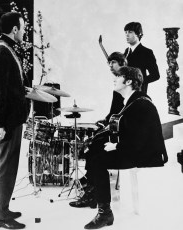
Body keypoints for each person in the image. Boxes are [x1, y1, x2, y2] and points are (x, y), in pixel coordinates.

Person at [82, 66, 168, 229]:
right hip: (138, 150)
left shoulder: (141, 104)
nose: (114, 79)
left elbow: (140, 139)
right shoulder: (132, 101)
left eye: (118, 76)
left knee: (99, 161)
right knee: (95, 153)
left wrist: (116, 146)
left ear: (128, 81)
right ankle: (95, 199)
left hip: (148, 155)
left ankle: (105, 212)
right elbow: (131, 133)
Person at [0, 12, 29, 229]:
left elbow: (7, 85)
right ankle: (1, 214)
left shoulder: (3, 48)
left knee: (1, 164)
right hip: (8, 119)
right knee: (6, 166)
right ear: (14, 29)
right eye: (22, 27)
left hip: (8, 117)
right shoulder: (1, 51)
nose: (24, 31)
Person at [70, 52, 127, 209]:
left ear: (122, 63)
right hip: (115, 124)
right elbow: (114, 111)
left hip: (122, 132)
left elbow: (124, 112)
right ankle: (90, 186)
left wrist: (109, 123)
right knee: (93, 143)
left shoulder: (126, 83)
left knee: (95, 146)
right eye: (109, 63)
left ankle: (91, 190)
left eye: (113, 62)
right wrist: (104, 121)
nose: (110, 66)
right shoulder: (118, 82)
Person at [124, 22, 160, 93]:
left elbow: (155, 75)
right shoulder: (126, 51)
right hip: (125, 92)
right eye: (126, 32)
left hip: (139, 93)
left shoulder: (147, 52)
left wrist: (138, 81)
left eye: (130, 32)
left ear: (138, 34)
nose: (127, 35)